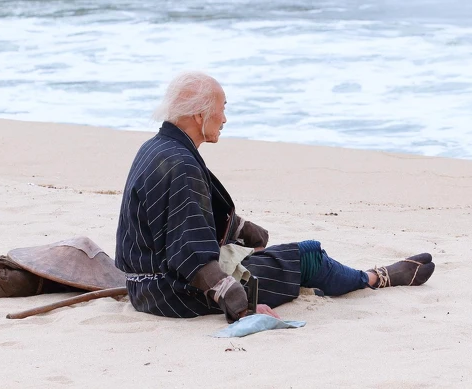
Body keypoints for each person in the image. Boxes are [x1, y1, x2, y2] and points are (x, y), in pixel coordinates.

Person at [115, 71, 434, 321]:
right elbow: (192, 256)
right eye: (222, 109)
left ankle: (347, 279)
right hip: (174, 294)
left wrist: (243, 230)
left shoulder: (156, 148)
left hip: (144, 288)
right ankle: (375, 278)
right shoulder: (182, 164)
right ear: (200, 115)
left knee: (274, 258)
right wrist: (239, 305)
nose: (224, 119)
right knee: (308, 256)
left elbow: (180, 221)